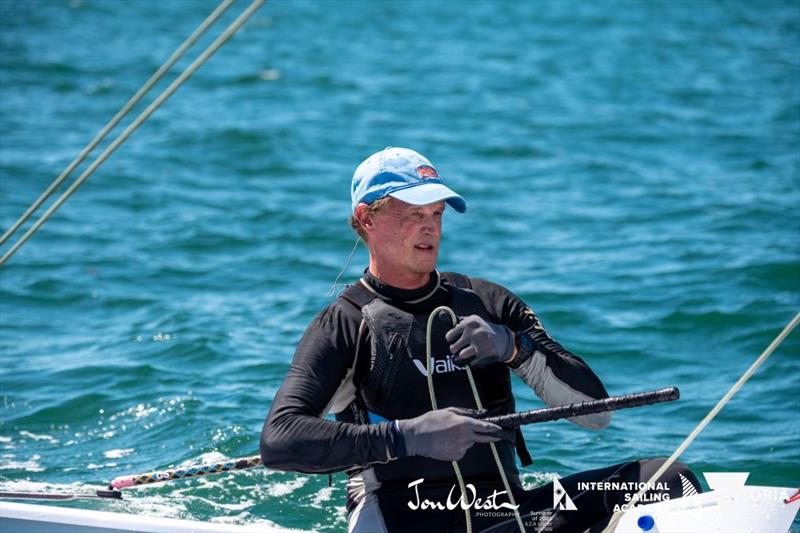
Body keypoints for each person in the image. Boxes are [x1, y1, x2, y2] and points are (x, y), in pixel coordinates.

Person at [260, 147, 701, 532]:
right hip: (402, 520)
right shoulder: (344, 322)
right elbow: (280, 439)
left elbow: (597, 417)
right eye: (414, 215)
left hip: (506, 517)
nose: (430, 228)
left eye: (436, 214)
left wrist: (515, 349)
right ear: (365, 219)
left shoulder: (487, 301)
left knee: (669, 478)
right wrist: (406, 437)